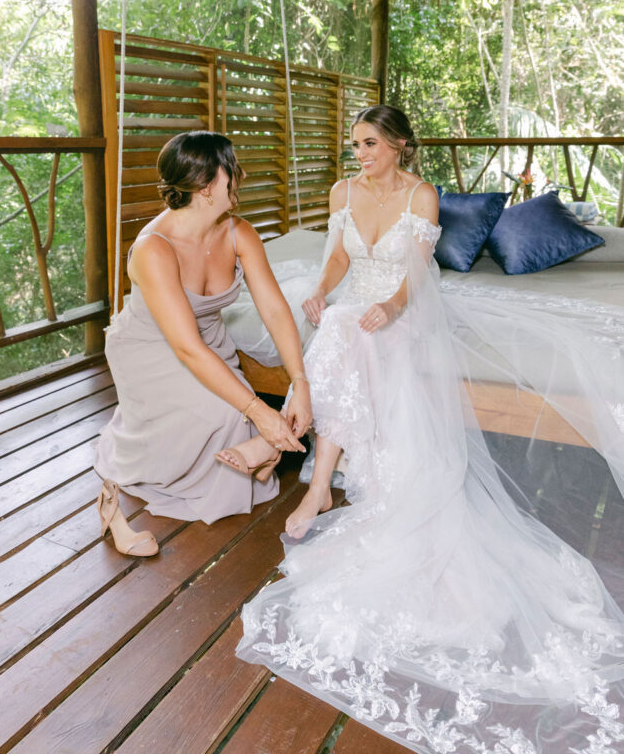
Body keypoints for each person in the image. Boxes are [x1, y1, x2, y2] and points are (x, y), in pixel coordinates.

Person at [236, 105, 624, 753]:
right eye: (352, 143)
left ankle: (313, 477)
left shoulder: (421, 194)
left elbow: (415, 271)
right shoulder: (341, 191)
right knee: (333, 329)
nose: (356, 153)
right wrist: (321, 295)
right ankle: (320, 482)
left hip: (405, 312)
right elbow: (335, 260)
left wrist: (387, 308)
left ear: (398, 147)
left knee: (352, 339)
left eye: (367, 143)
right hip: (357, 306)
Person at [94, 130, 312, 555]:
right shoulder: (154, 250)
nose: (241, 175)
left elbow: (275, 309)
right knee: (230, 415)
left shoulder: (238, 232)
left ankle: (260, 450)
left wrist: (298, 381)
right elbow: (186, 348)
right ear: (207, 185)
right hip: (153, 348)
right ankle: (252, 450)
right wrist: (260, 412)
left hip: (209, 339)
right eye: (232, 168)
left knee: (246, 417)